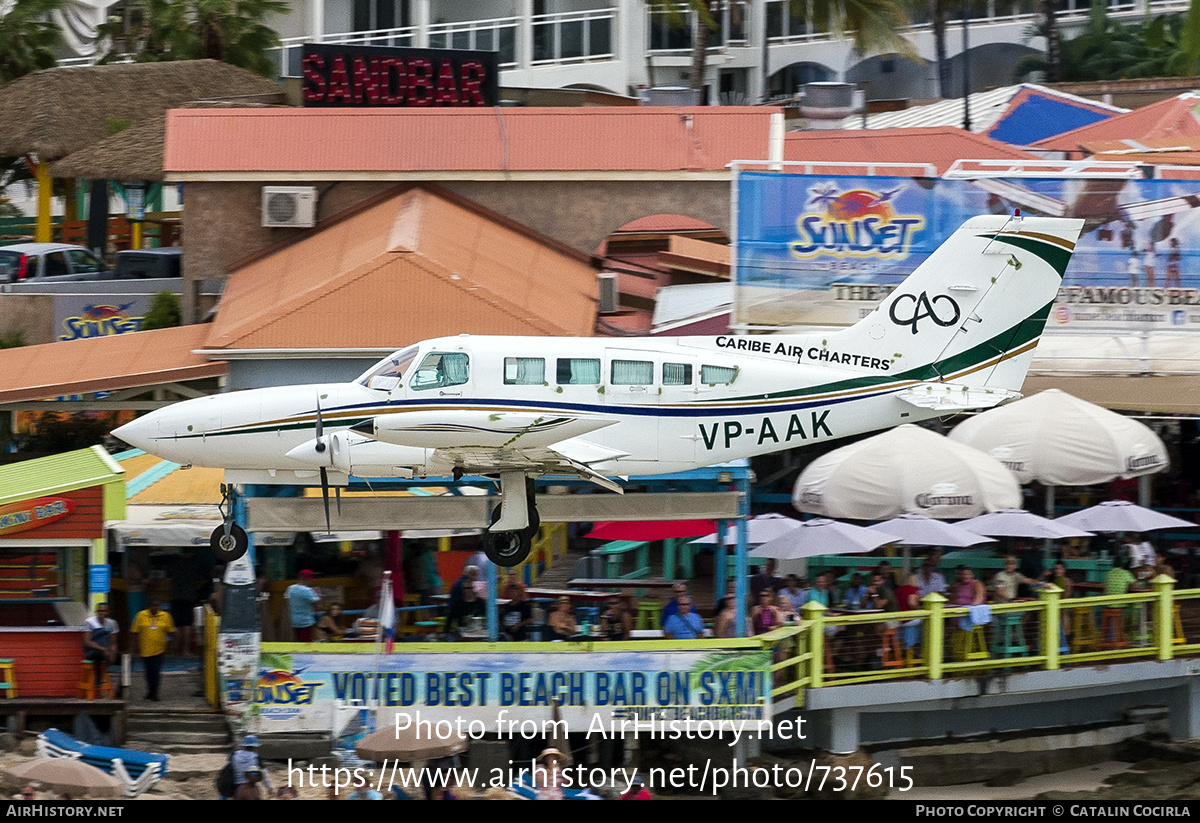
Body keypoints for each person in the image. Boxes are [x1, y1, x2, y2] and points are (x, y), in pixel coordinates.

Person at [130, 598, 175, 701]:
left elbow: (171, 631)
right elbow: (134, 632)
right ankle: (150, 691)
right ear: (149, 606)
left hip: (159, 649)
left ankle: (155, 693)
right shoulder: (141, 615)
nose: (155, 608)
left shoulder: (165, 616)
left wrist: (173, 644)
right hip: (145, 649)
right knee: (148, 672)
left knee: (156, 671)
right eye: (153, 606)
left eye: (157, 606)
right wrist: (134, 646)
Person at [83, 602, 118, 691]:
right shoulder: (89, 622)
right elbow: (87, 642)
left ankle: (122, 688)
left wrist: (113, 652)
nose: (101, 613)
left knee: (124, 659)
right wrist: (103, 649)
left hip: (107, 650)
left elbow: (113, 642)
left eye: (104, 611)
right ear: (97, 611)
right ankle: (97, 680)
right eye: (100, 611)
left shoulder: (112, 623)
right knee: (98, 655)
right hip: (93, 651)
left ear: (107, 612)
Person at [230, 734, 273, 798]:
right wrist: (269, 788)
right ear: (255, 747)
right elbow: (264, 774)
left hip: (235, 787)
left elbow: (228, 770)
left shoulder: (234, 755)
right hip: (250, 785)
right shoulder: (255, 757)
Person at [285, 570, 321, 642]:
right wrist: (318, 594)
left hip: (292, 621)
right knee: (306, 644)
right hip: (306, 622)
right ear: (308, 579)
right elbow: (317, 607)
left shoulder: (290, 588)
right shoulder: (308, 591)